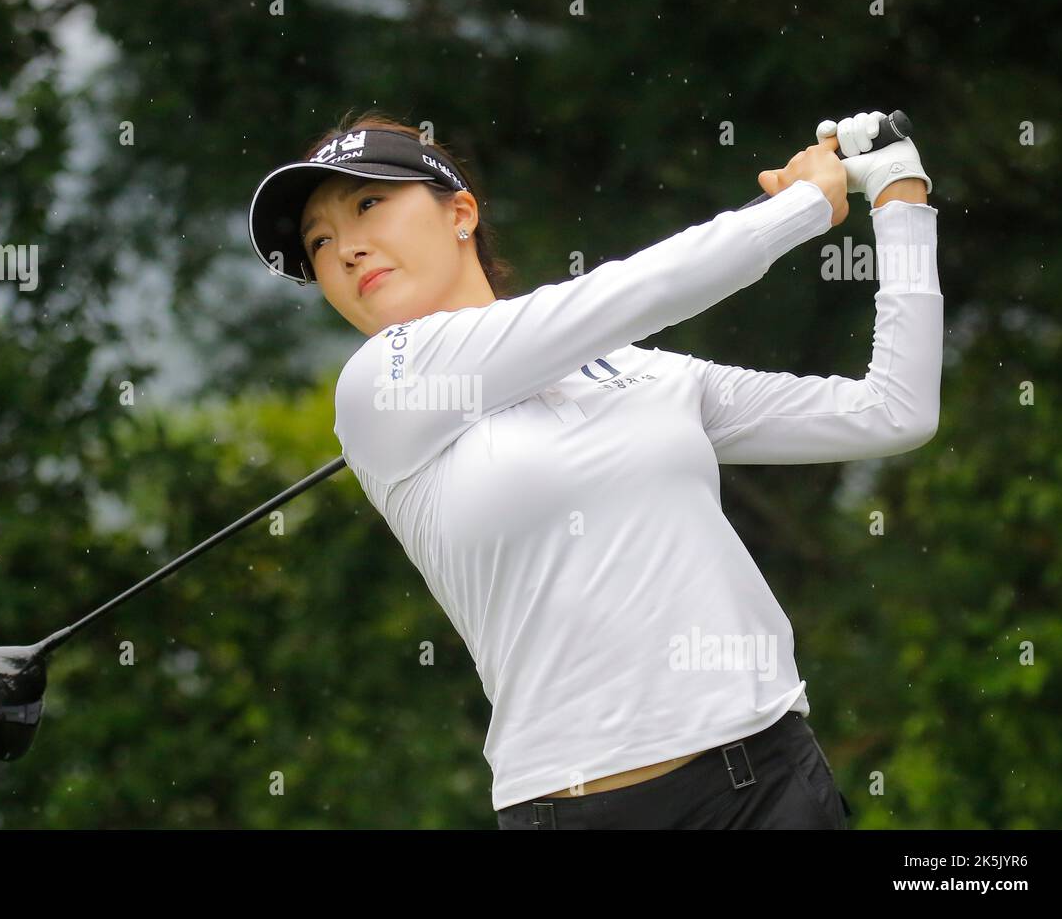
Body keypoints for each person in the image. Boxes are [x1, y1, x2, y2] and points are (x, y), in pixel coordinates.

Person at [248, 109, 940, 828]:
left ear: (461, 212)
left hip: (765, 784)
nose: (348, 250)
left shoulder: (641, 373)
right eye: (320, 242)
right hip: (569, 811)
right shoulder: (378, 390)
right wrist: (802, 206)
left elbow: (894, 409)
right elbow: (635, 293)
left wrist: (898, 193)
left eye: (368, 205)